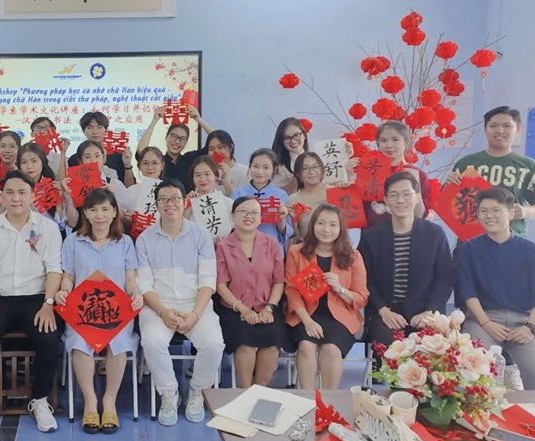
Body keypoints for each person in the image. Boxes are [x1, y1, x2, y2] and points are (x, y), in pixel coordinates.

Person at [0, 171, 63, 435]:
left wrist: (49, 304)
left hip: (37, 298)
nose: (16, 198)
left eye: (22, 192)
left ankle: (40, 399)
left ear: (32, 195)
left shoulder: (47, 228)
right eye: (9, 192)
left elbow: (54, 269)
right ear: (2, 195)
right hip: (0, 298)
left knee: (49, 338)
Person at [136, 179, 225, 426]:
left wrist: (196, 314)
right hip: (158, 306)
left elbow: (208, 279)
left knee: (214, 343)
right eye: (163, 199)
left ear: (185, 201)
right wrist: (162, 311)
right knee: (152, 341)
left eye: (175, 198)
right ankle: (169, 393)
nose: (170, 204)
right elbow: (144, 284)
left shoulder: (200, 235)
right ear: (156, 204)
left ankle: (197, 391)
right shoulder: (144, 239)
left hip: (196, 304)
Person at [56, 188, 142, 434]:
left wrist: (135, 293)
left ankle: (110, 401)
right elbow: (68, 276)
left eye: (105, 209)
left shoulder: (125, 242)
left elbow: (130, 279)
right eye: (93, 210)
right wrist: (63, 291)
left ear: (115, 212)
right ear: (85, 213)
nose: (99, 215)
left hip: (116, 310)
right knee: (78, 340)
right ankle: (90, 402)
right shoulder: (73, 241)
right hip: (83, 310)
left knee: (119, 340)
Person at [456, 187, 535, 390]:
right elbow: (467, 292)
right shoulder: (468, 249)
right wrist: (486, 323)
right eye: (483, 211)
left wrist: (530, 327)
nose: (489, 216)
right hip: (483, 320)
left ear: (511, 213)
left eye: (496, 210)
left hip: (525, 321)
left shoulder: (533, 252)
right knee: (472, 368)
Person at [358, 171, 453, 348]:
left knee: (432, 352)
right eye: (394, 195)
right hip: (384, 314)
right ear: (386, 200)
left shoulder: (434, 234)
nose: (400, 200)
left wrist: (429, 312)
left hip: (425, 313)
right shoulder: (371, 237)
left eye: (406, 194)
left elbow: (445, 279)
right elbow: (364, 280)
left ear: (417, 198)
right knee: (390, 351)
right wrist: (383, 310)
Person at [285, 204, 369, 389]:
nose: (326, 229)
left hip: (340, 317)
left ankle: (329, 399)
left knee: (331, 349)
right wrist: (307, 321)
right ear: (313, 225)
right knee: (306, 346)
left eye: (333, 225)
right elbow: (291, 291)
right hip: (305, 314)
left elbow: (362, 297)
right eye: (321, 223)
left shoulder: (353, 256)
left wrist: (340, 289)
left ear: (341, 229)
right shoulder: (296, 252)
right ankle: (308, 398)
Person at [447, 106, 535, 236]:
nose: (500, 130)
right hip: (471, 240)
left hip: (511, 239)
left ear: (518, 130)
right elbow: (449, 203)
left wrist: (525, 211)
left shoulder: (530, 167)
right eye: (493, 126)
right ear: (485, 129)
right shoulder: (466, 163)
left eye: (507, 126)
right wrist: (449, 185)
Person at [214, 196, 285, 388]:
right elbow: (221, 285)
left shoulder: (272, 244)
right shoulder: (223, 246)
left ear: (260, 218)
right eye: (243, 212)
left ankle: (260, 390)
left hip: (267, 306)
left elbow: (279, 281)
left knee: (272, 343)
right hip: (234, 308)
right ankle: (244, 391)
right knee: (245, 342)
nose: (248, 216)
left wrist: (269, 308)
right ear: (232, 216)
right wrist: (243, 309)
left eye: (254, 212)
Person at [363, 121, 430, 227]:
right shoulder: (370, 171)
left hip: (405, 233)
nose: (389, 145)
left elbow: (419, 215)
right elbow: (359, 209)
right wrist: (348, 175)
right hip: (372, 233)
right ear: (378, 143)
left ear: (406, 142)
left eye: (395, 139)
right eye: (383, 140)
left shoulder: (418, 174)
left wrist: (415, 182)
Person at [136, 104, 214, 190]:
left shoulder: (190, 159)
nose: (177, 141)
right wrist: (154, 120)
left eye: (182, 139)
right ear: (167, 137)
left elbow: (215, 140)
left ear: (186, 142)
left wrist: (198, 119)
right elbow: (141, 151)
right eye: (174, 136)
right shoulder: (158, 161)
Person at [231, 148, 292, 253]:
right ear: (249, 166)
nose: (260, 172)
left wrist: (281, 218)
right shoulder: (237, 193)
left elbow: (286, 232)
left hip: (272, 249)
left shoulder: (281, 195)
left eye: (266, 167)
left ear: (274, 169)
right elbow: (232, 224)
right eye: (255, 166)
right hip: (243, 248)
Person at [67, 141, 128, 229]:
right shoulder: (73, 186)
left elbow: (123, 219)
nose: (93, 160)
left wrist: (113, 197)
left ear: (104, 158)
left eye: (97, 155)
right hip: (83, 234)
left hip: (110, 234)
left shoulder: (115, 184)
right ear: (80, 161)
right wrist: (70, 198)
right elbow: (72, 223)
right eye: (88, 157)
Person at [67, 111, 136, 186]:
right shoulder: (75, 159)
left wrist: (127, 165)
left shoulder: (118, 157)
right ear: (83, 131)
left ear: (106, 130)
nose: (95, 131)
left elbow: (130, 188)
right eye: (89, 127)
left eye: (99, 127)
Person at [17, 142, 70, 232]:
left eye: (34, 161)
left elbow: (60, 224)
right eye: (24, 162)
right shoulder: (15, 188)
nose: (29, 166)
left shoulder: (52, 186)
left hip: (50, 235)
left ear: (43, 162)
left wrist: (59, 198)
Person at [184, 156, 234, 240]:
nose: (202, 179)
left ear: (215, 175)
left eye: (207, 174)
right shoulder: (185, 204)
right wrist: (187, 207)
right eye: (197, 175)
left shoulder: (229, 203)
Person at [286, 152, 328, 243]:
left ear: (321, 170)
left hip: (334, 247)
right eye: (305, 168)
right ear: (298, 174)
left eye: (315, 167)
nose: (311, 172)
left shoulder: (334, 192)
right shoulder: (292, 199)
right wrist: (294, 220)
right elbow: (294, 236)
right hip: (306, 247)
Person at [270, 117, 310, 194]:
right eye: (287, 137)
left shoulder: (314, 159)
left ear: (304, 135)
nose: (293, 141)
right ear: (281, 141)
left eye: (296, 135)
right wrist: (296, 178)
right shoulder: (279, 167)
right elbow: (277, 194)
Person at [203, 129, 249, 196]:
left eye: (220, 147)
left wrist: (225, 180)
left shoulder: (245, 172)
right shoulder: (206, 172)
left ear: (231, 147)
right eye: (211, 149)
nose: (216, 152)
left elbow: (242, 199)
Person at [123, 146, 164, 220]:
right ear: (140, 166)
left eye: (155, 163)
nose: (150, 167)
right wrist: (127, 218)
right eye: (145, 163)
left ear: (162, 166)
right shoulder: (131, 191)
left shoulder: (170, 191)